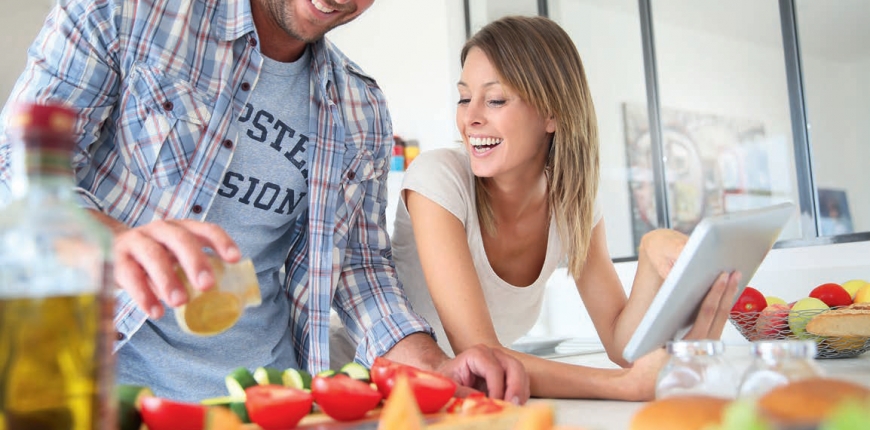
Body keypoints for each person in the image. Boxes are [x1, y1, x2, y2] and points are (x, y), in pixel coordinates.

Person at [0, 0, 528, 403]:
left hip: (267, 401)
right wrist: (113, 241)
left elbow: (361, 270)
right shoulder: (123, 14)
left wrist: (434, 365)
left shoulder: (360, 107)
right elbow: (13, 170)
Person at [382, 15, 740, 400]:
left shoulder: (570, 203)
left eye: (495, 99)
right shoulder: (438, 179)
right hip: (370, 389)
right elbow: (480, 353)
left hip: (458, 404)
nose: (470, 118)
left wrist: (651, 256)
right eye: (465, 98)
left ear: (551, 113)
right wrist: (623, 386)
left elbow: (622, 345)